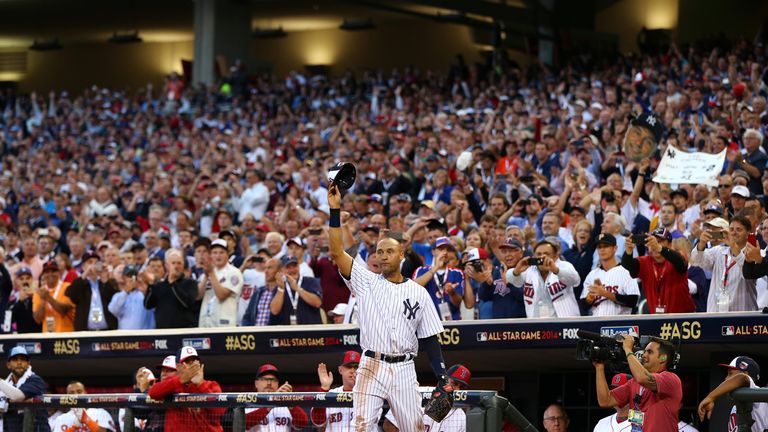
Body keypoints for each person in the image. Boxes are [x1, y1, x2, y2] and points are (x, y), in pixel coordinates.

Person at [326, 181, 447, 431]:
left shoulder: (418, 292)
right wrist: (335, 210)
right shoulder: (366, 281)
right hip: (371, 364)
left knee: (414, 428)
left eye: (388, 251)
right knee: (360, 427)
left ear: (401, 255)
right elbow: (337, 252)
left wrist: (442, 376)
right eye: (379, 252)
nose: (382, 256)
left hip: (404, 367)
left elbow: (430, 339)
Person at [594, 335, 682, 432]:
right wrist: (599, 368)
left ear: (663, 358)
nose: (644, 355)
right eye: (645, 351)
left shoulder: (670, 379)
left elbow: (642, 378)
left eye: (650, 352)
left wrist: (628, 349)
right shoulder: (633, 383)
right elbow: (605, 400)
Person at [148, 346, 225, 432]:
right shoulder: (172, 386)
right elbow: (153, 393)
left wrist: (200, 384)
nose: (191, 365)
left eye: (194, 361)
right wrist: (181, 380)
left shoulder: (211, 385)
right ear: (178, 366)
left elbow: (220, 412)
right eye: (187, 362)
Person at [691, 215, 758, 312]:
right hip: (715, 313)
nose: (734, 233)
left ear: (748, 233)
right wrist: (701, 243)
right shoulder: (718, 251)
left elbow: (748, 274)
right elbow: (696, 261)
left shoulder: (754, 253)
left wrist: (733, 246)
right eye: (731, 229)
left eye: (739, 229)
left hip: (742, 315)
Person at [622, 228, 695, 314]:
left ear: (669, 245)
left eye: (659, 241)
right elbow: (627, 265)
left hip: (682, 318)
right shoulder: (645, 262)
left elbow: (681, 262)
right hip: (658, 319)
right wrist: (628, 252)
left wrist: (659, 248)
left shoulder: (676, 258)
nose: (654, 245)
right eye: (653, 242)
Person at [382, 364, 472, 432]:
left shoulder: (461, 416)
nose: (456, 389)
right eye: (454, 383)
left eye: (461, 387)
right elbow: (389, 425)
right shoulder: (418, 395)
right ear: (444, 380)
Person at [507, 239, 582, 317]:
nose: (542, 257)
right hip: (537, 323)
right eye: (538, 254)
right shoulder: (529, 269)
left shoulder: (564, 266)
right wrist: (516, 271)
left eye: (546, 254)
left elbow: (575, 280)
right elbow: (513, 280)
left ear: (556, 256)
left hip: (564, 321)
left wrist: (556, 270)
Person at [698, 356, 767, 432]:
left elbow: (742, 378)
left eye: (730, 374)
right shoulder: (735, 406)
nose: (726, 378)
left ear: (746, 374)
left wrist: (711, 397)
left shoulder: (757, 395)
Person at [581, 234, 639, 316]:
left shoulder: (626, 272)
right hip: (596, 324)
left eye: (606, 246)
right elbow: (583, 306)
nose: (602, 249)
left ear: (615, 248)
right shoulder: (592, 275)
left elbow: (633, 301)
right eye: (599, 247)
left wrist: (605, 293)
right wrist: (590, 298)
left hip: (620, 324)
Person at [143, 249, 199, 328]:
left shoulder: (191, 283)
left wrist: (173, 283)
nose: (176, 266)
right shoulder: (159, 286)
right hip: (163, 332)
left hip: (184, 332)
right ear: (167, 266)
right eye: (173, 263)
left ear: (183, 266)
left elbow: (187, 303)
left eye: (179, 263)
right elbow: (147, 305)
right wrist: (151, 284)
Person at [244, 364, 309, 431]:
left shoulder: (286, 406)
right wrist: (272, 401)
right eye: (265, 379)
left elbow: (302, 423)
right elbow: (243, 423)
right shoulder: (247, 403)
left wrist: (290, 402)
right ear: (256, 383)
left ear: (278, 384)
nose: (269, 383)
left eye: (273, 380)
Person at [412, 237, 464, 320]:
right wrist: (436, 267)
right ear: (433, 251)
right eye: (441, 249)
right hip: (428, 322)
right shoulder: (421, 270)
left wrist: (452, 292)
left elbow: (458, 302)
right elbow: (413, 288)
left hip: (452, 322)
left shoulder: (457, 273)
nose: (445, 252)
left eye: (448, 250)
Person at [0, 346, 50, 431]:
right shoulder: (6, 386)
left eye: (23, 359)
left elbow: (17, 396)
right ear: (8, 365)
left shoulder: (35, 380)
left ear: (28, 364)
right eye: (15, 359)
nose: (19, 363)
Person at [65, 253, 118, 331]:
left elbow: (114, 299)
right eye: (90, 262)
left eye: (96, 263)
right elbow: (70, 293)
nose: (93, 265)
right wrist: (85, 274)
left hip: (107, 330)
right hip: (85, 331)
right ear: (83, 267)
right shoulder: (81, 284)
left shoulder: (106, 283)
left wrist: (105, 280)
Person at [197, 239, 243, 327]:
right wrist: (206, 277)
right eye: (214, 252)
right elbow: (198, 296)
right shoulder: (207, 272)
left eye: (221, 252)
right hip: (206, 323)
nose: (218, 256)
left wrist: (211, 273)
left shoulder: (234, 272)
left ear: (228, 254)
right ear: (210, 255)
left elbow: (221, 295)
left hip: (224, 323)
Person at [311, 351, 360, 431]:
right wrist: (324, 388)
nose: (352, 370)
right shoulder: (331, 394)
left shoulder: (370, 395)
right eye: (348, 367)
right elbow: (318, 422)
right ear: (340, 370)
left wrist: (358, 388)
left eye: (356, 367)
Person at [269, 255, 323, 325]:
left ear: (299, 267)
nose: (292, 270)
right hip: (287, 333)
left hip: (310, 332)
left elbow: (317, 303)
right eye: (288, 267)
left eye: (294, 266)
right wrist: (281, 289)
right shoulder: (280, 286)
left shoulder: (311, 281)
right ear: (282, 270)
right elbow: (274, 311)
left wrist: (297, 288)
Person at [49, 381, 116, 431]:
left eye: (79, 391)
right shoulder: (61, 418)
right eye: (71, 393)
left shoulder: (100, 413)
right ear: (67, 396)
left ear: (85, 393)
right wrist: (73, 427)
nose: (76, 395)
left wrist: (87, 419)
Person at [108, 264, 155, 329]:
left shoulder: (144, 293)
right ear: (124, 278)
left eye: (134, 275)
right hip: (125, 336)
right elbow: (113, 310)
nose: (132, 278)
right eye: (129, 276)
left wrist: (145, 291)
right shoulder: (119, 295)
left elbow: (154, 308)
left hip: (144, 336)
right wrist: (126, 291)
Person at [32, 261, 74, 332]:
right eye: (47, 272)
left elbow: (64, 311)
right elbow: (37, 319)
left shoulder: (68, 287)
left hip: (66, 335)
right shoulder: (39, 292)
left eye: (53, 271)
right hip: (48, 336)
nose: (50, 274)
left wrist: (47, 298)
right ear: (43, 275)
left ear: (59, 273)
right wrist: (42, 302)